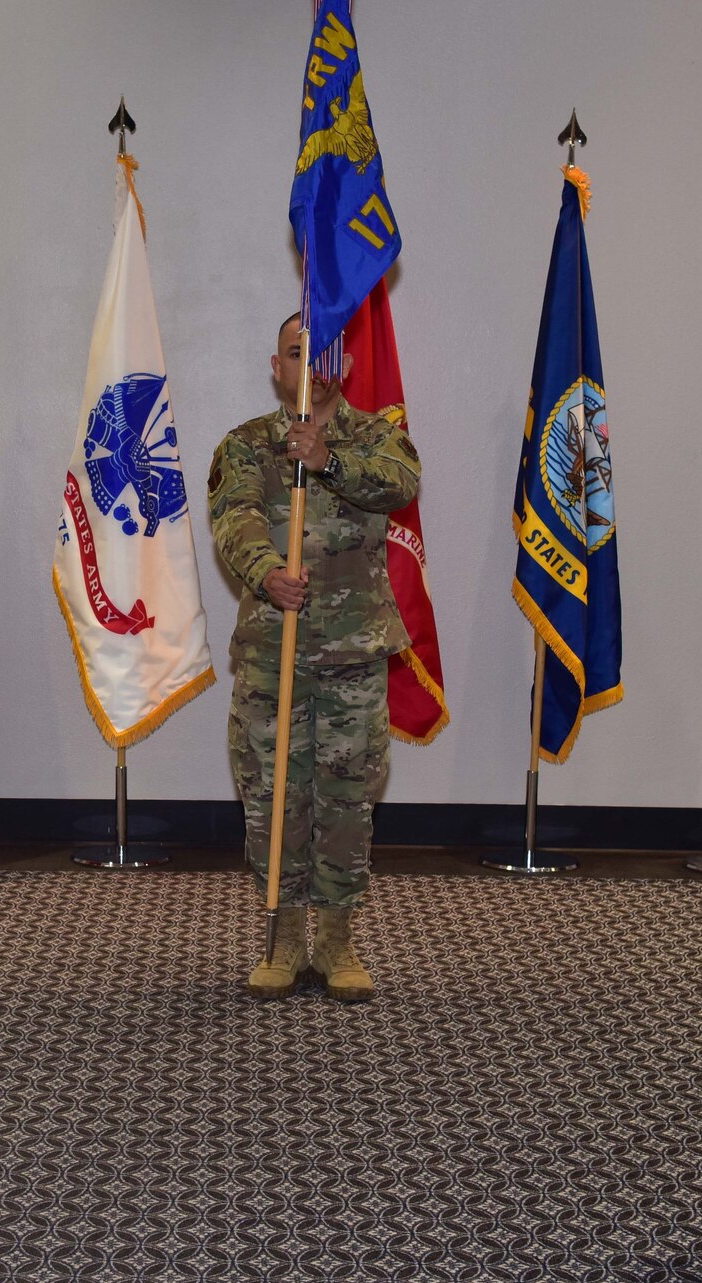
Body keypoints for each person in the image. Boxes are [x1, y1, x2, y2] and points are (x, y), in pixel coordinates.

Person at [208, 312, 420, 1002]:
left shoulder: (376, 438)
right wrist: (267, 571)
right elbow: (232, 517)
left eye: (324, 351)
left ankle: (336, 939)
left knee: (346, 801)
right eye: (297, 353)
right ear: (278, 369)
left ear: (348, 366)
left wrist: (326, 459)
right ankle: (282, 937)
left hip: (352, 656)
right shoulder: (245, 446)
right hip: (275, 653)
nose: (312, 364)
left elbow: (399, 485)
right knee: (275, 800)